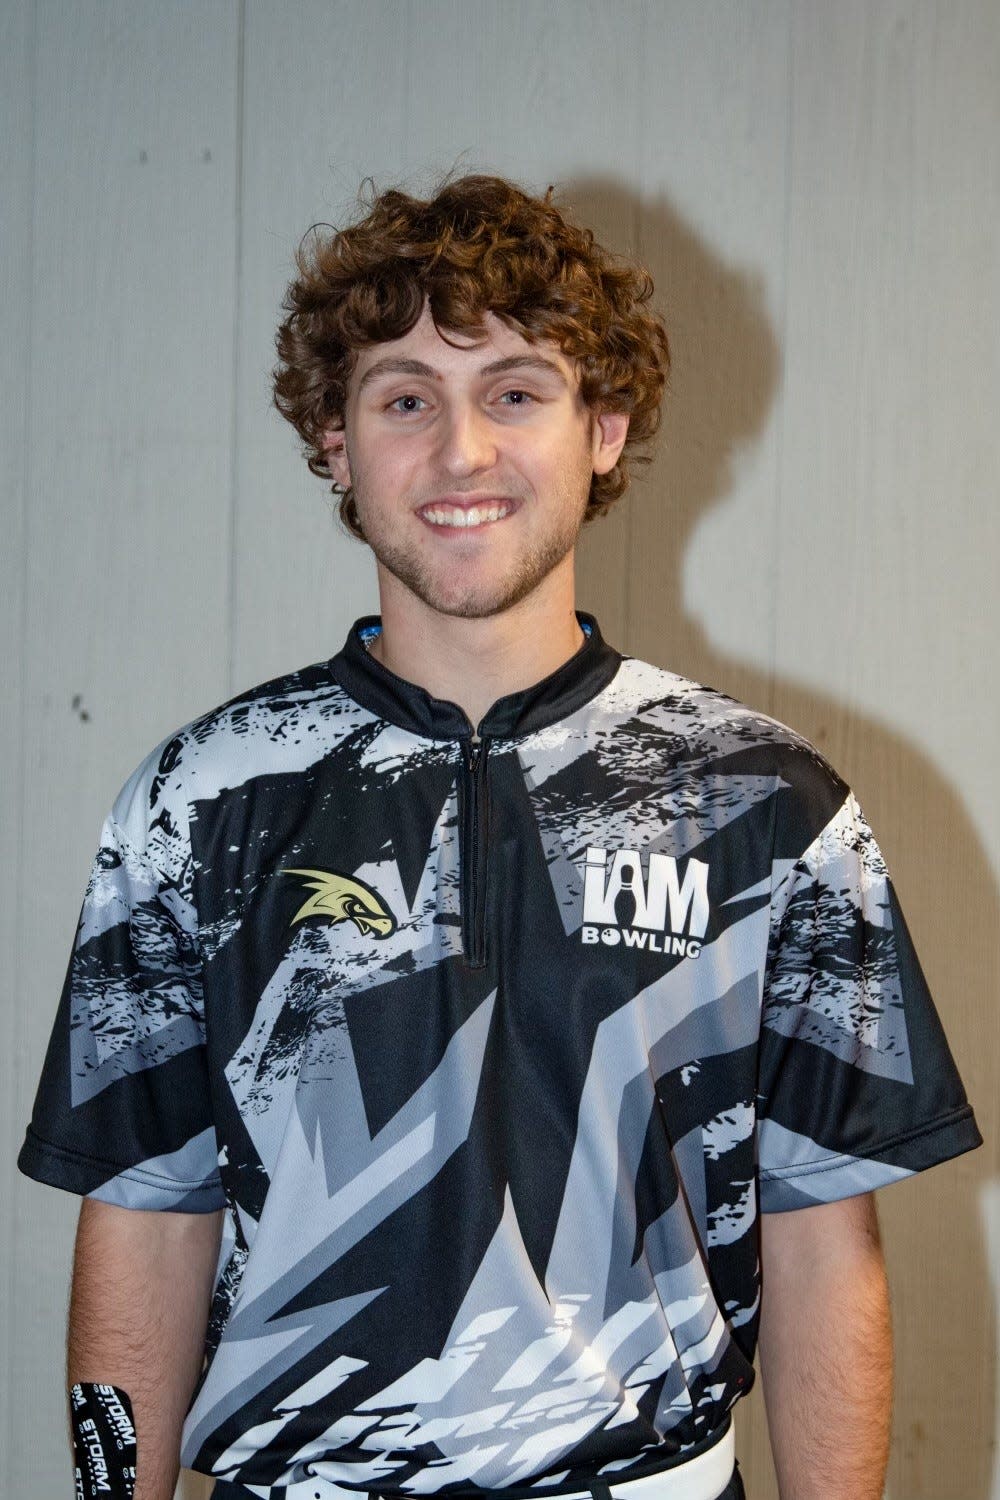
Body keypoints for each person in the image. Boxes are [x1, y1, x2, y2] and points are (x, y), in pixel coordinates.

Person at [18, 172, 981, 1500]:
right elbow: (140, 1227)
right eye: (405, 398)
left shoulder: (772, 806)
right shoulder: (197, 804)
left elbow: (824, 1242)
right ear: (335, 445)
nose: (462, 451)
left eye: (516, 391)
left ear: (604, 426)